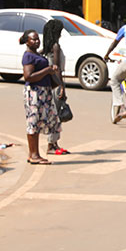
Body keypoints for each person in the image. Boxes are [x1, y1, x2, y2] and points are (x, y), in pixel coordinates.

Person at [20, 29, 60, 165]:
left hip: (43, 92)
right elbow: (28, 76)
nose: (37, 41)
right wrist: (47, 70)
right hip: (34, 92)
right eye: (33, 39)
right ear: (27, 41)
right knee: (33, 122)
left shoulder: (36, 54)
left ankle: (33, 154)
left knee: (39, 122)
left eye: (38, 39)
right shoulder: (28, 56)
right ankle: (34, 155)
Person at [41, 19, 70, 155]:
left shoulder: (46, 47)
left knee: (53, 114)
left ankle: (54, 143)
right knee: (56, 114)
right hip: (56, 83)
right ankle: (51, 145)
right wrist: (62, 87)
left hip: (49, 84)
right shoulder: (55, 46)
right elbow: (57, 69)